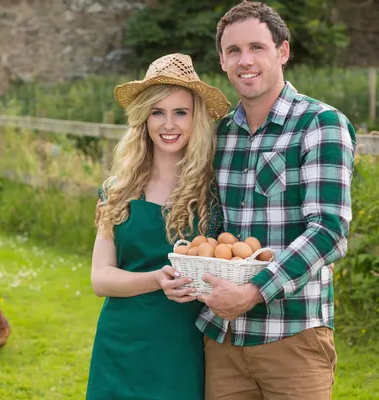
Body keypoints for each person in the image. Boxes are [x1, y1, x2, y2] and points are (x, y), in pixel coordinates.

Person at [158, 2, 356, 399]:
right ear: (222, 60)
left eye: (256, 48)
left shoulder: (319, 124)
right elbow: (199, 216)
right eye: (233, 51)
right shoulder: (220, 134)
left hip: (293, 336)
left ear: (282, 52)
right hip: (223, 340)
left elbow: (329, 231)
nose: (244, 61)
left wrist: (253, 292)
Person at [86, 53, 230, 400]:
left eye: (181, 112)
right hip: (119, 344)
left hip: (183, 344)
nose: (169, 124)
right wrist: (155, 279)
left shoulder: (214, 190)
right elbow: (100, 278)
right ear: (143, 118)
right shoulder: (117, 190)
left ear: (196, 118)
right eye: (158, 112)